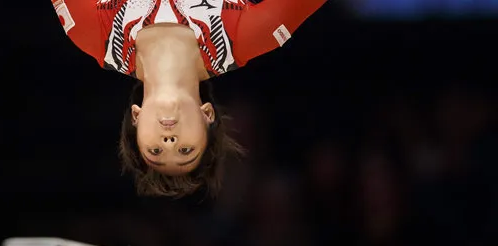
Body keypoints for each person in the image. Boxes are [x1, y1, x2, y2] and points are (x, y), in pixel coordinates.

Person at [51, 0, 327, 197]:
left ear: (136, 118)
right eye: (185, 150)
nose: (169, 141)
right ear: (208, 115)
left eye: (156, 151)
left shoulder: (94, 34)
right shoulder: (244, 35)